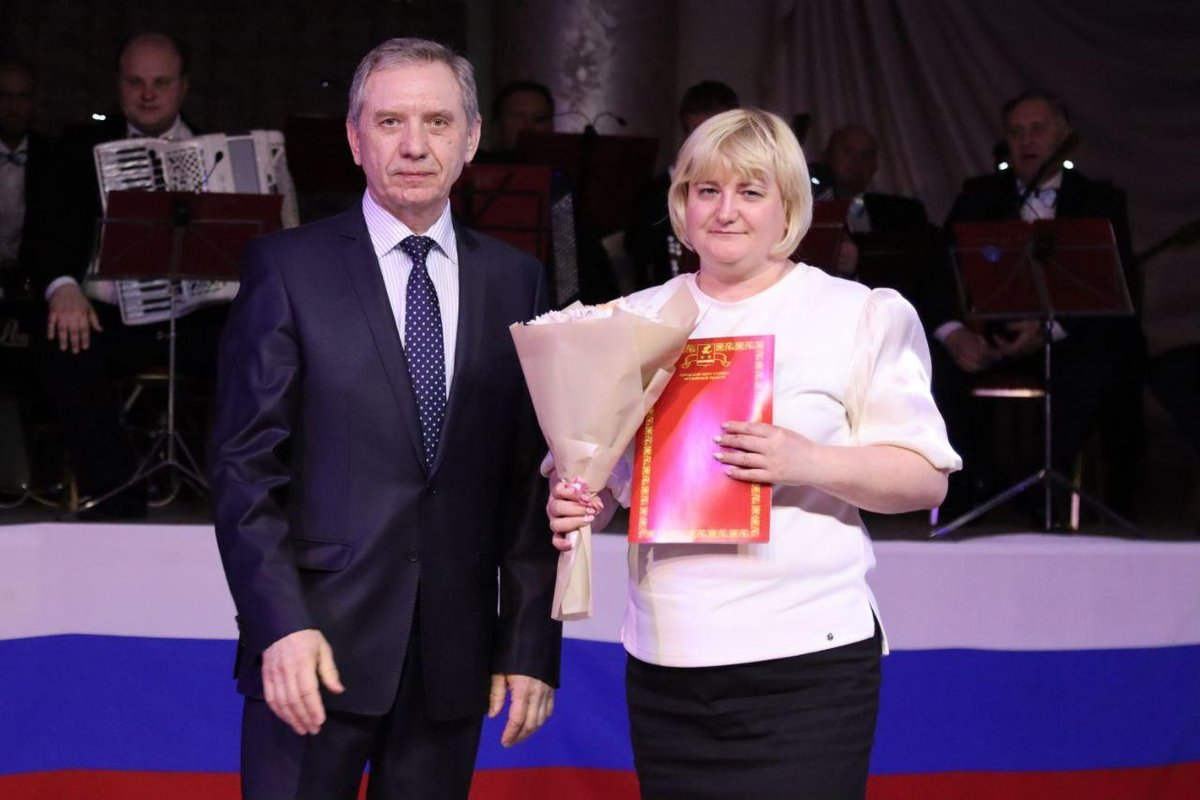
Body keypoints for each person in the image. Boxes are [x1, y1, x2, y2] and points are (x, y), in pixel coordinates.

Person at [548, 108, 959, 798]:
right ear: (681, 203)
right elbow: (606, 477)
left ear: (788, 206)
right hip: (668, 658)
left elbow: (925, 479)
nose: (725, 211)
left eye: (750, 191)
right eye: (706, 190)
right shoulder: (631, 322)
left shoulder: (856, 313)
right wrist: (576, 501)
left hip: (807, 660)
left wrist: (809, 462)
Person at [209, 37, 561, 799]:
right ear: (353, 137)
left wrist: (531, 642)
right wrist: (278, 624)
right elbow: (244, 469)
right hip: (311, 652)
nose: (414, 145)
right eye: (390, 121)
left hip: (453, 660)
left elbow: (531, 482)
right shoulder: (287, 269)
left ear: (471, 138)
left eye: (438, 122)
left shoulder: (517, 281)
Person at [37, 31, 223, 519]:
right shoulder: (77, 148)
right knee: (65, 348)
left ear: (183, 87)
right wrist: (63, 288)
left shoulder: (216, 152)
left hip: (198, 317)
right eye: (135, 82)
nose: (148, 95)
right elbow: (43, 236)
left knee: (264, 347)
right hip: (107, 317)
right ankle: (116, 498)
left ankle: (243, 497)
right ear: (117, 85)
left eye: (161, 83)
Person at [934, 90, 1144, 518]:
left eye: (1037, 130)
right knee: (932, 366)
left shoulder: (1099, 200)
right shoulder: (979, 195)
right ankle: (962, 496)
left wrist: (1048, 329)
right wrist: (954, 335)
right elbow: (936, 270)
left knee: (1101, 366)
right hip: (987, 337)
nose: (1026, 141)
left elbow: (1119, 289)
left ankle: (1042, 496)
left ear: (1064, 136)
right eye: (1016, 132)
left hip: (1069, 341)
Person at [624, 80, 739, 289]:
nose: (708, 143)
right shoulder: (657, 191)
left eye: (718, 135)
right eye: (698, 131)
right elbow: (638, 253)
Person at [818, 125, 941, 300]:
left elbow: (923, 265)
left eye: (866, 155)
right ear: (827, 157)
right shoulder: (808, 211)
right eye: (848, 151)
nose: (858, 161)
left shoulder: (905, 212)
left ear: (875, 166)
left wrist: (861, 260)